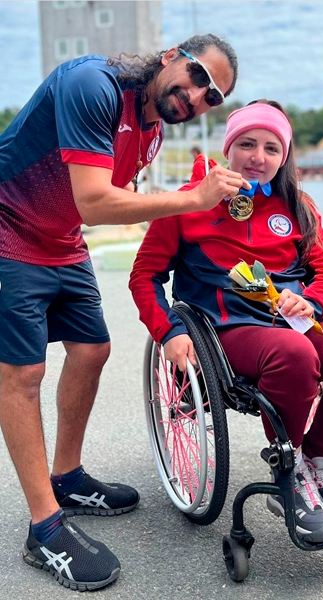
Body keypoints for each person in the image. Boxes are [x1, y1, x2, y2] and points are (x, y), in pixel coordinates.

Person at [0, 34, 242, 590]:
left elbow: (110, 200)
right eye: (200, 77)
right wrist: (191, 200)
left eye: (213, 98)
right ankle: (44, 527)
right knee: (23, 374)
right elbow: (95, 200)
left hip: (61, 241)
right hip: (9, 228)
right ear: (170, 58)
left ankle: (66, 477)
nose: (200, 96)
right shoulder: (94, 85)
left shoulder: (152, 133)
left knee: (93, 349)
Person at [130, 99, 323, 544]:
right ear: (228, 147)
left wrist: (311, 301)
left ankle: (319, 464)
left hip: (293, 320)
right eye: (247, 144)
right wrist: (168, 332)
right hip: (226, 328)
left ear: (283, 156)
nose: (258, 156)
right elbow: (145, 276)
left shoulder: (298, 206)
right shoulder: (186, 203)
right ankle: (288, 471)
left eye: (272, 148)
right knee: (293, 354)